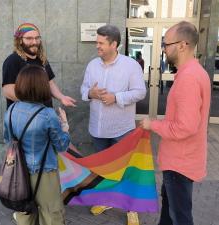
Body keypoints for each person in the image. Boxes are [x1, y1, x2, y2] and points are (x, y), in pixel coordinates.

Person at [140, 21, 211, 225]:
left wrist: (151, 125)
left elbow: (186, 127)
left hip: (180, 163)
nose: (163, 48)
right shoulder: (194, 73)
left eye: (166, 43)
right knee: (170, 215)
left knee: (179, 217)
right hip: (180, 160)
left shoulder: (189, 78)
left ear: (182, 45)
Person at [80, 24, 146, 225]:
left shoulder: (130, 66)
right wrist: (91, 93)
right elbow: (83, 88)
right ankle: (106, 200)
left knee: (127, 170)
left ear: (114, 44)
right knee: (103, 170)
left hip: (121, 129)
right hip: (98, 129)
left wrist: (116, 97)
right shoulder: (92, 65)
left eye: (101, 43)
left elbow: (140, 92)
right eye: (97, 42)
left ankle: (131, 209)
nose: (97, 46)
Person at [3, 65, 70, 225]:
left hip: (18, 172)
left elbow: (8, 140)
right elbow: (62, 145)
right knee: (51, 214)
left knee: (25, 213)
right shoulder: (47, 114)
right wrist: (65, 124)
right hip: (45, 172)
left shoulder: (11, 110)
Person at [2, 23, 76, 108]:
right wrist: (33, 106)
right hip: (24, 117)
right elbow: (7, 90)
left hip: (44, 114)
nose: (34, 42)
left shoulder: (42, 59)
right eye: (29, 38)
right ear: (20, 40)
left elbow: (50, 83)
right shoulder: (12, 60)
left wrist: (61, 97)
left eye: (37, 38)